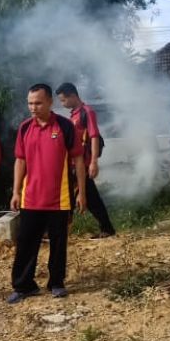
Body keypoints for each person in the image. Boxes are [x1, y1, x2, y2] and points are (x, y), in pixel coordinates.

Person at [9, 84, 86, 303]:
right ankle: (23, 286)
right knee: (26, 243)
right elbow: (20, 161)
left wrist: (81, 192)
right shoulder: (25, 128)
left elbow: (78, 159)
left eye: (38, 103)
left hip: (59, 198)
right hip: (30, 197)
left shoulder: (65, 126)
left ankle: (56, 282)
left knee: (58, 242)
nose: (33, 107)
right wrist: (16, 191)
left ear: (50, 102)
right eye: (30, 103)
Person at [55, 83, 115, 238]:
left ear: (72, 96)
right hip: (73, 164)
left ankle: (107, 229)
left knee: (90, 198)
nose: (62, 104)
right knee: (69, 196)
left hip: (84, 164)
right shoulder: (74, 114)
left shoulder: (87, 112)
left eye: (63, 100)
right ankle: (63, 230)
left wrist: (94, 162)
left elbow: (94, 136)